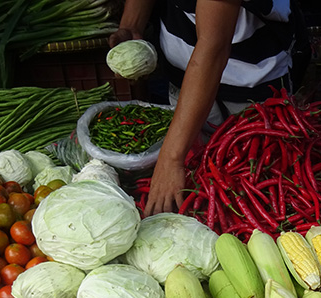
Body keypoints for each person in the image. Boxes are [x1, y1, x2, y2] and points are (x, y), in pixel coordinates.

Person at [110, 0, 305, 216]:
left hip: (249, 88)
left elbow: (214, 47)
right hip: (186, 80)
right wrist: (131, 26)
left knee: (257, 196)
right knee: (198, 193)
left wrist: (171, 159)